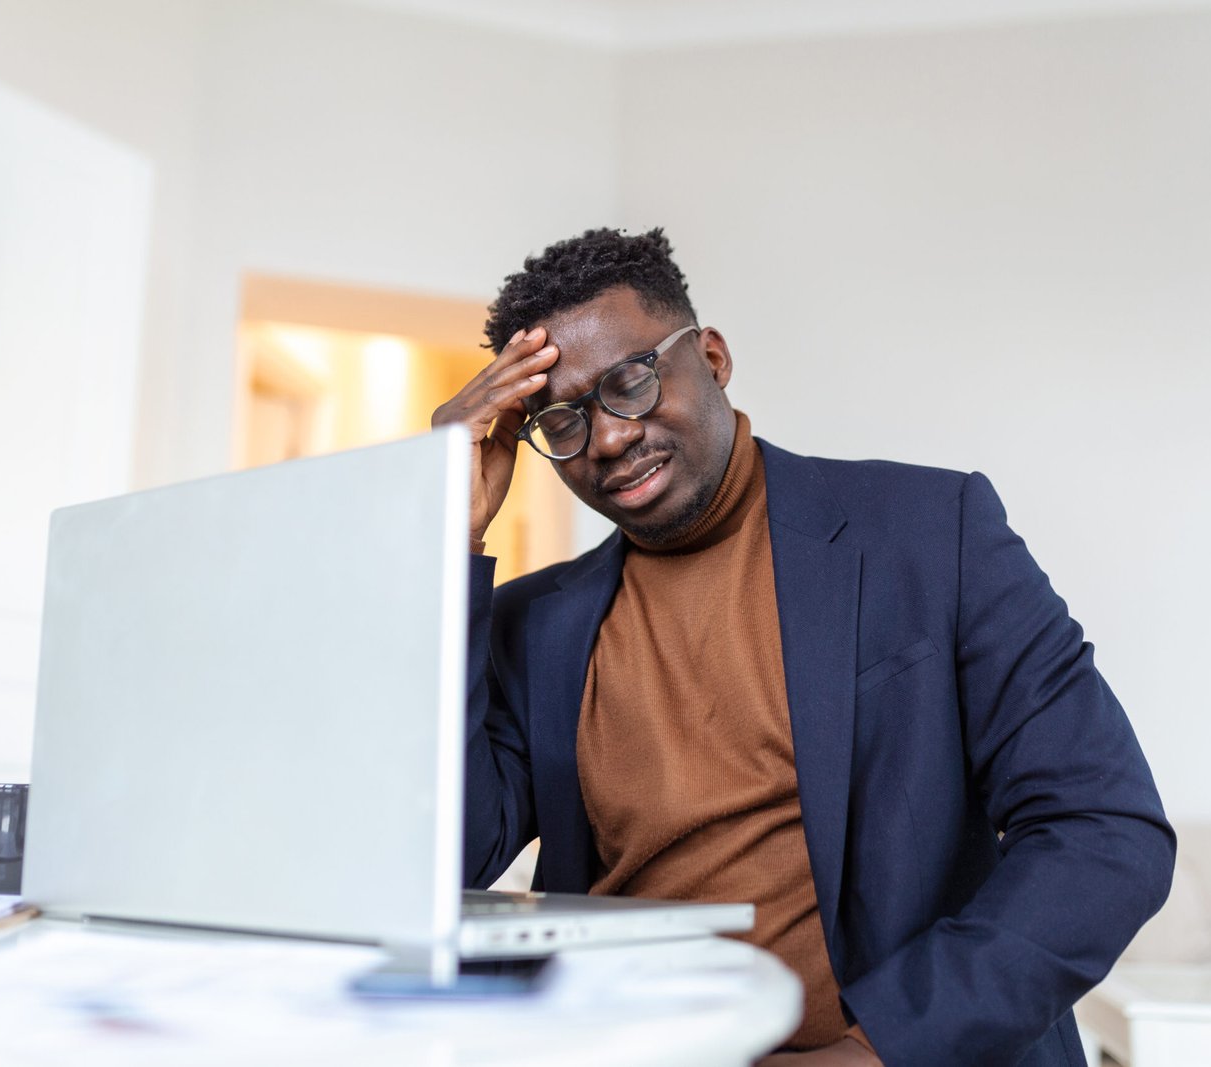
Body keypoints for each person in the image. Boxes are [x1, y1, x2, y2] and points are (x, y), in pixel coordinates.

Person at [432, 228, 1173, 1067]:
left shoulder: (932, 535)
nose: (605, 439)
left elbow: (1105, 831)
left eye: (630, 383)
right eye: (563, 421)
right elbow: (451, 859)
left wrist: (874, 1054)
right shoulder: (535, 626)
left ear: (712, 358)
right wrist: (444, 539)